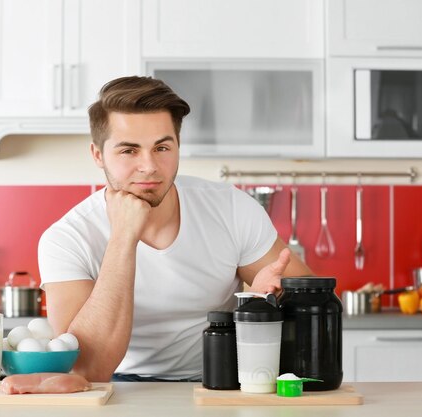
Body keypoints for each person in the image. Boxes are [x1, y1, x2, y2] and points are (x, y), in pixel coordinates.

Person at [38, 76, 313, 383]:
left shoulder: (231, 208)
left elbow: (320, 305)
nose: (149, 166)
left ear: (178, 146)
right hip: (117, 386)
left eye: (162, 147)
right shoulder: (66, 238)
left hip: (220, 381)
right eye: (129, 151)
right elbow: (86, 369)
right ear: (98, 155)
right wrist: (123, 238)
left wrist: (265, 304)